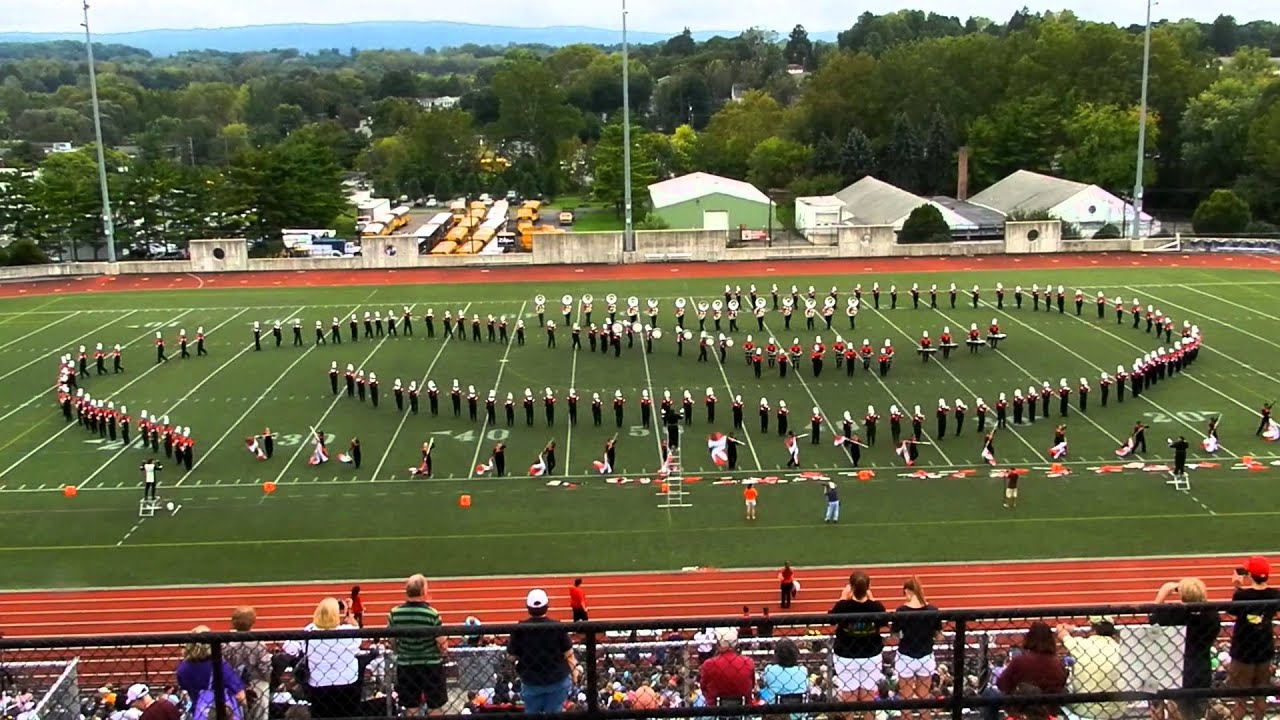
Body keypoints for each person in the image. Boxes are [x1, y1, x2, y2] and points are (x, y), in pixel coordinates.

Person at [1150, 578, 1219, 720]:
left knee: (1177, 710)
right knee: (1198, 711)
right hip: (1202, 669)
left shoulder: (1175, 613)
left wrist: (1162, 594)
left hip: (1178, 670)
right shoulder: (1211, 614)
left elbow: (1153, 620)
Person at [282, 598, 362, 718]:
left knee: (321, 715)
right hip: (348, 684)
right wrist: (349, 617)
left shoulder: (310, 631)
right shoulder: (348, 632)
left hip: (319, 685)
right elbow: (358, 637)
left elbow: (288, 646)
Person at [1227, 556, 1280, 720]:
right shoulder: (1275, 595)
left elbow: (1233, 611)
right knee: (1261, 693)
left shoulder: (1242, 596)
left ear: (1250, 574)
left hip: (1243, 651)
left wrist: (1237, 588)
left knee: (1240, 698)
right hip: (1264, 648)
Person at [387, 574, 448, 716]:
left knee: (411, 707)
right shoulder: (432, 614)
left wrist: (402, 650)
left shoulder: (395, 614)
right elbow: (443, 644)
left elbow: (393, 642)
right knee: (435, 706)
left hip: (406, 664)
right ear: (423, 592)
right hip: (431, 665)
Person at [507, 589, 575, 714]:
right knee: (555, 711)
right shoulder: (557, 627)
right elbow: (569, 654)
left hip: (531, 679)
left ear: (528, 607)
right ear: (547, 606)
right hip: (557, 678)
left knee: (532, 712)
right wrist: (575, 672)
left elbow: (511, 657)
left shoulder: (520, 629)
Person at [830, 571, 887, 720]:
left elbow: (831, 619)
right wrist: (872, 600)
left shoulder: (844, 606)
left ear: (851, 587)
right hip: (871, 655)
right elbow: (883, 622)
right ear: (868, 588)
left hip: (846, 656)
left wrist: (842, 598)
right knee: (869, 699)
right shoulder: (876, 607)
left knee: (848, 699)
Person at [991, 622, 1068, 720]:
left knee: (989, 693)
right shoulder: (1058, 663)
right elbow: (1061, 685)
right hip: (1048, 712)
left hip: (1020, 711)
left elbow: (1001, 684)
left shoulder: (1019, 661)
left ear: (1029, 638)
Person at [893, 578, 942, 720]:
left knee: (906, 699)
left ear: (908, 591)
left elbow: (896, 635)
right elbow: (939, 636)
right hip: (925, 656)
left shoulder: (901, 611)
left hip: (906, 656)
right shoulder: (933, 610)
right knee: (924, 697)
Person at [175, 625, 247, 720]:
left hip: (199, 712)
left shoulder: (182, 668)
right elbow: (240, 696)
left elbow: (185, 689)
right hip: (222, 712)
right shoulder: (220, 665)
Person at [1057, 617, 1124, 720]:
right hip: (1116, 711)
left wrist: (1070, 629)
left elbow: (1060, 630)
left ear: (1092, 627)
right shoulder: (1121, 649)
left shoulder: (1080, 644)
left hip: (1084, 709)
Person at [224, 607, 272, 720]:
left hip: (233, 682)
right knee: (260, 712)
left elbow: (224, 665)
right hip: (257, 682)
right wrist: (267, 679)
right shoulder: (259, 644)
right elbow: (265, 668)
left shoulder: (226, 643)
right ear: (253, 622)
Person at [699, 627, 755, 709]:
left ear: (719, 643)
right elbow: (752, 685)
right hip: (743, 709)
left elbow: (704, 688)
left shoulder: (709, 664)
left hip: (714, 709)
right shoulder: (748, 662)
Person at [761, 638, 808, 720]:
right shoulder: (802, 670)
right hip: (798, 716)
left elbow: (765, 684)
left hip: (775, 716)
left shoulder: (770, 670)